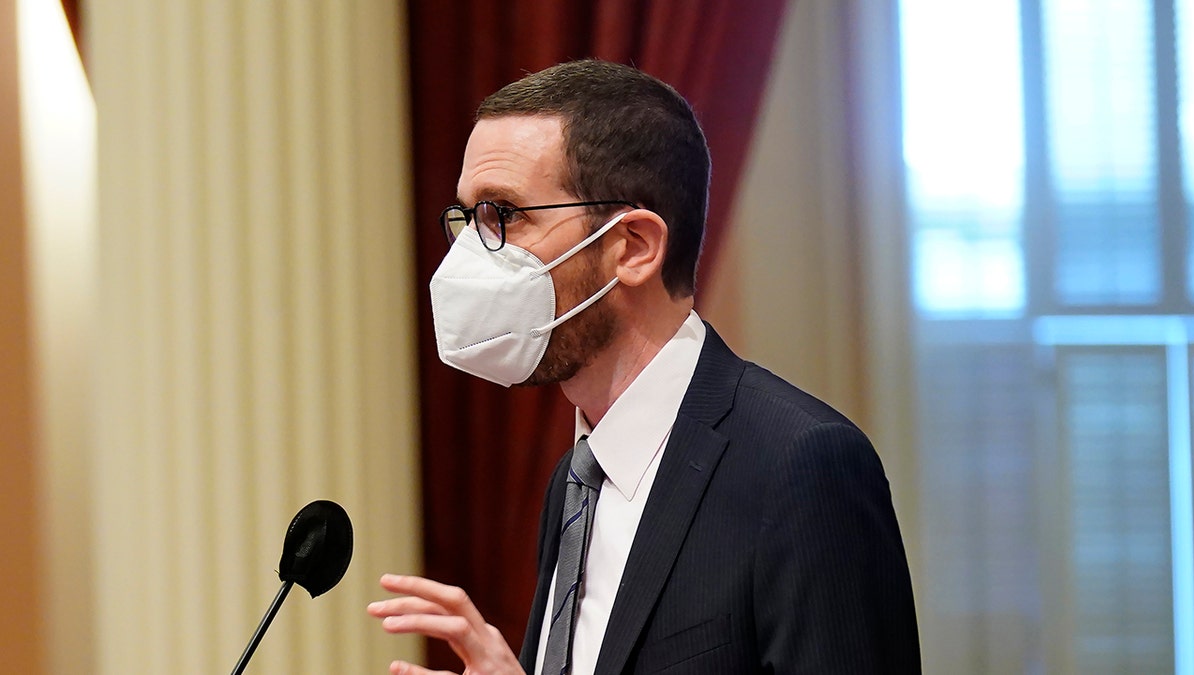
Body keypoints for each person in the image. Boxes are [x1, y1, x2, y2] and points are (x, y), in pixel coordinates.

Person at [368, 59, 921, 674]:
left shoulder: (802, 465)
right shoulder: (576, 480)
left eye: (505, 215)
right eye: (468, 219)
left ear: (633, 246)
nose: (473, 252)